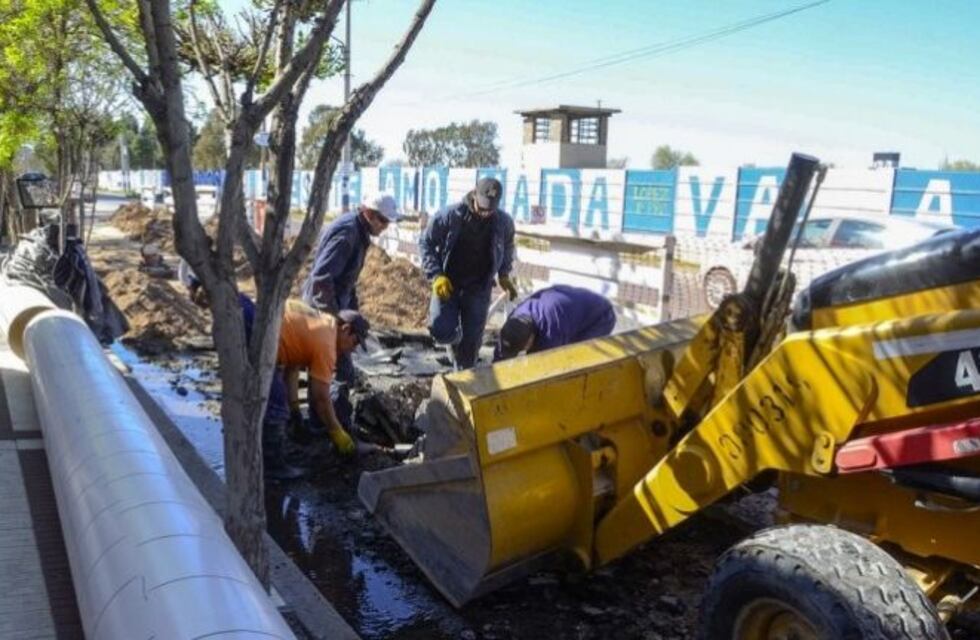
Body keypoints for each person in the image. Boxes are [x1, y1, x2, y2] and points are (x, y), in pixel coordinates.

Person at [301, 192, 400, 432]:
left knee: (325, 371)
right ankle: (336, 429)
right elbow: (321, 281)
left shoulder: (358, 232)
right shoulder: (347, 235)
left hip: (331, 308)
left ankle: (322, 425)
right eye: (383, 221)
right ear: (368, 213)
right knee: (340, 373)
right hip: (322, 311)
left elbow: (346, 282)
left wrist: (353, 314)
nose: (385, 227)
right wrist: (335, 320)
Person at [420, 177, 516, 369]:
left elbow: (507, 247)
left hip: (478, 288)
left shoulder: (503, 223)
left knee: (471, 345)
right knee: (441, 331)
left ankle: (462, 381)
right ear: (474, 195)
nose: (485, 213)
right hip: (449, 284)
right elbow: (426, 243)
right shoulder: (450, 215)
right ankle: (454, 342)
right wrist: (436, 275)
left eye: (490, 209)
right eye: (482, 208)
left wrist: (504, 274)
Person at [493, 285, 617, 361]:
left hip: (600, 317)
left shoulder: (551, 333)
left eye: (521, 348)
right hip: (567, 311)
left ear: (531, 339)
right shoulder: (514, 318)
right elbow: (500, 353)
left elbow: (543, 366)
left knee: (574, 360)